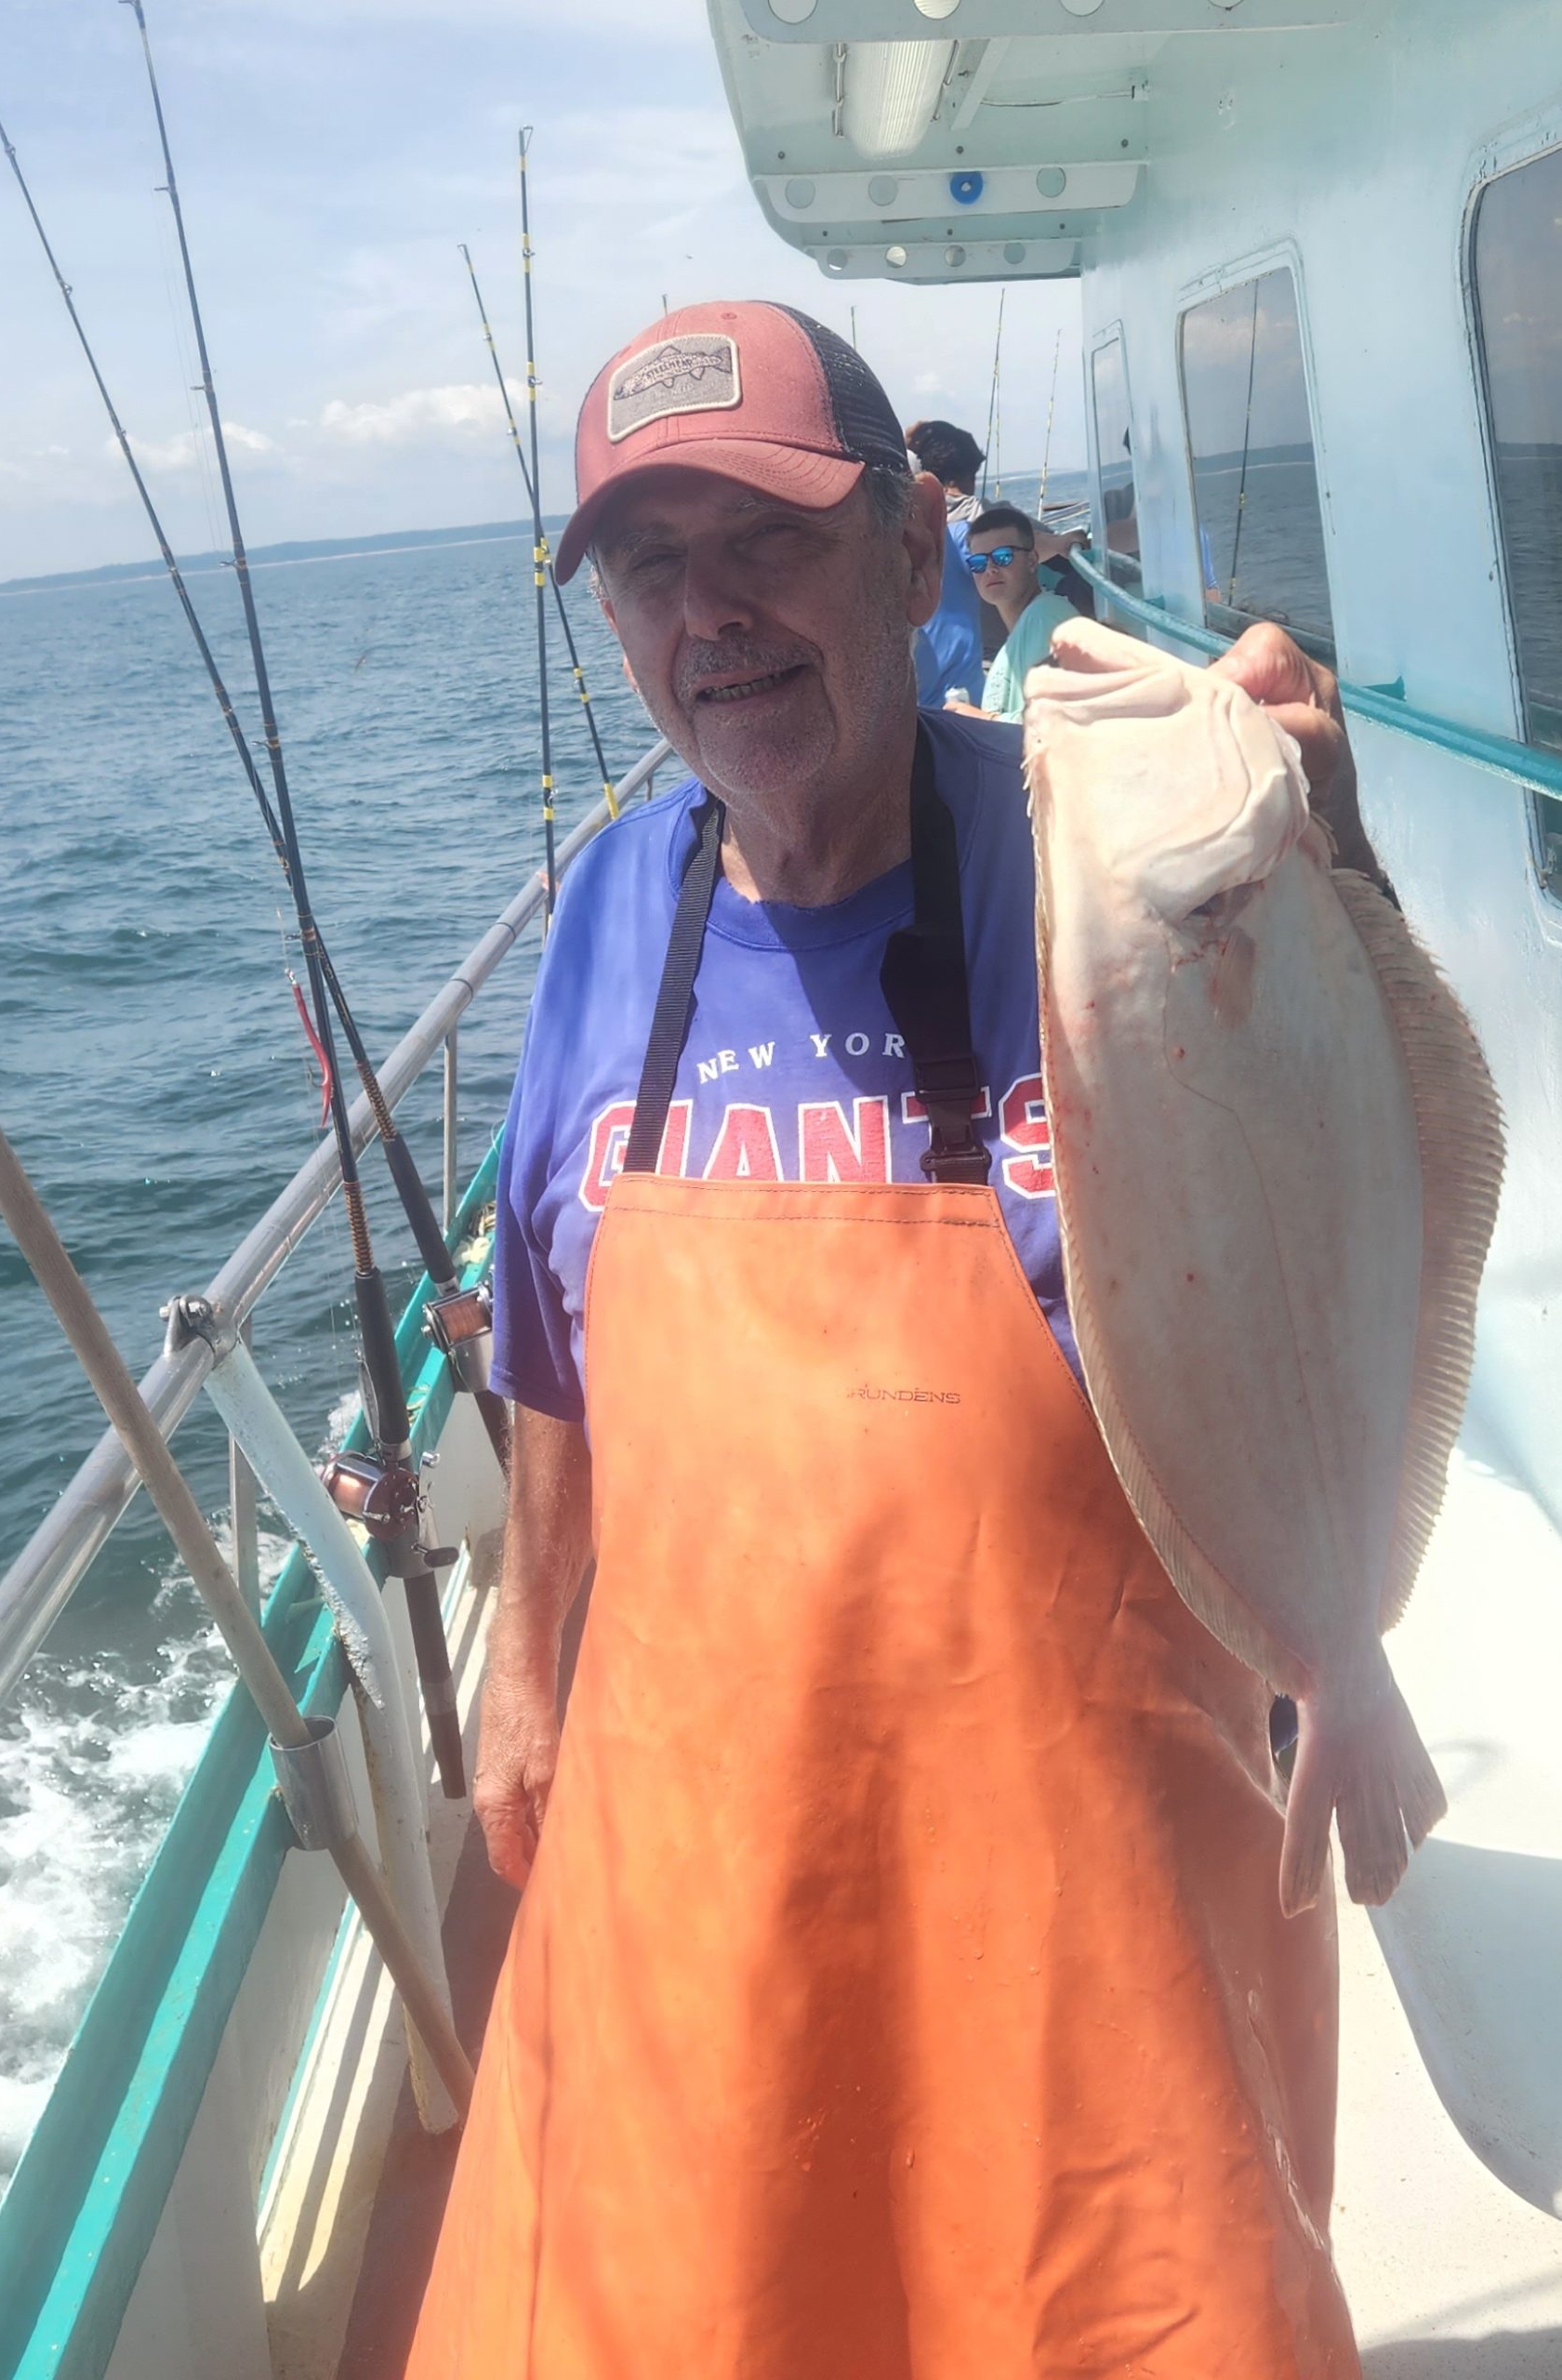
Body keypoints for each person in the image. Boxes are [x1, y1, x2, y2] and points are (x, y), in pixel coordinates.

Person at [407, 298, 1367, 2380]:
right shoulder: (605, 917)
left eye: (758, 538)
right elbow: (554, 1336)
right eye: (649, 566)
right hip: (694, 1906)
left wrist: (1329, 869)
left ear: (913, 555)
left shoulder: (1101, 856)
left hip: (1086, 1924)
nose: (708, 614)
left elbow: (1338, 1195)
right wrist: (523, 1678)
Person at [965, 499, 1079, 721]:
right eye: (978, 562)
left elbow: (1058, 718)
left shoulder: (1045, 617)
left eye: (1003, 557)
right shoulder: (1024, 631)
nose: (990, 569)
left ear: (1032, 561)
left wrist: (982, 720)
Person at [903, 416, 987, 694]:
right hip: (960, 700)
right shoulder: (969, 526)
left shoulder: (892, 537)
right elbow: (1008, 550)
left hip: (912, 701)